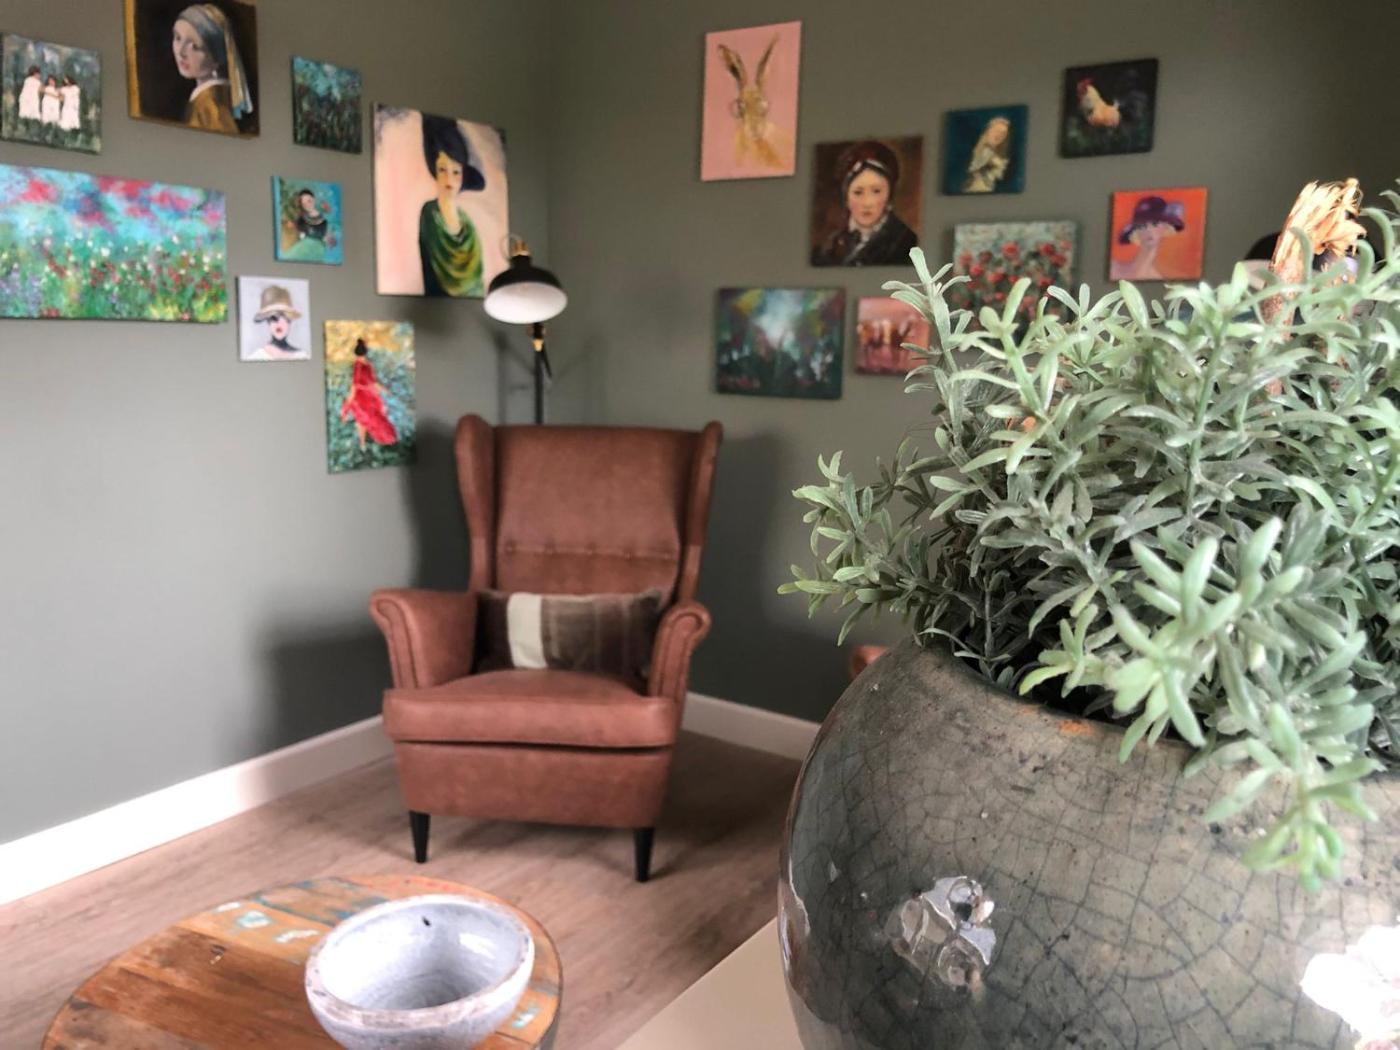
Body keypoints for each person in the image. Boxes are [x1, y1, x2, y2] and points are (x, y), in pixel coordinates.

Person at [811, 140, 918, 267]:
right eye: (858, 192)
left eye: (876, 191)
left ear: (889, 195)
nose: (867, 203)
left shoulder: (906, 244)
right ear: (846, 197)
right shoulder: (830, 247)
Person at [417, 114, 486, 297]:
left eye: (456, 172)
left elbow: (477, 281)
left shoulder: (467, 224)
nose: (449, 179)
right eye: (442, 170)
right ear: (434, 171)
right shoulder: (429, 214)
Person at [171, 3, 253, 135]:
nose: (181, 52)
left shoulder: (208, 105)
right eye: (178, 38)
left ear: (216, 58)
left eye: (194, 46)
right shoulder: (211, 97)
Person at [340, 339, 398, 449]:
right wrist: (385, 390)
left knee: (365, 420)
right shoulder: (363, 365)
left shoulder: (362, 365)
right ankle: (363, 442)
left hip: (366, 397)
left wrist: (347, 405)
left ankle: (363, 442)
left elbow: (363, 385)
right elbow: (365, 384)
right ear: (365, 352)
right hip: (367, 396)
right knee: (366, 419)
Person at [1113, 195, 1184, 280]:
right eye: (1142, 226)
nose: (1149, 230)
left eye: (1155, 224)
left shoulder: (1157, 279)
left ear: (1165, 228)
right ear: (1136, 232)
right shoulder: (1113, 269)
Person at [245, 284, 303, 361]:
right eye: (273, 318)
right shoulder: (256, 357)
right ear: (267, 321)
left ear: (290, 320)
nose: (279, 323)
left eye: (284, 316)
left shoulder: (301, 355)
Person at [281, 188, 335, 262]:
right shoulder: (302, 218)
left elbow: (329, 234)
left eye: (309, 201)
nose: (307, 205)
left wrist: (328, 238)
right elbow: (298, 226)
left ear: (314, 200)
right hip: (305, 245)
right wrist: (292, 224)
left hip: (319, 247)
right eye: (304, 204)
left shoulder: (324, 217)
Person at [962, 116, 1011, 193]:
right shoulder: (969, 149)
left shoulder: (1000, 156)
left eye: (1003, 133)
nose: (999, 135)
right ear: (988, 130)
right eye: (996, 131)